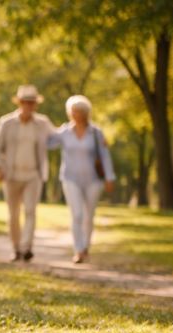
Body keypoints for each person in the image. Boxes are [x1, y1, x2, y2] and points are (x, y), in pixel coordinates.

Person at [0, 85, 54, 262]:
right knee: (13, 214)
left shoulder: (42, 123)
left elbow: (57, 137)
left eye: (32, 103)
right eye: (25, 102)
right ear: (19, 103)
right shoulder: (6, 123)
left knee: (31, 211)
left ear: (35, 105)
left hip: (33, 175)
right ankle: (16, 248)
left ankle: (27, 248)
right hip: (11, 175)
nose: (28, 106)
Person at [48, 95, 115, 263]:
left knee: (88, 215)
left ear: (86, 113)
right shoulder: (64, 131)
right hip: (70, 178)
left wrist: (109, 177)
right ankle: (78, 249)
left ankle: (86, 246)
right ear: (69, 113)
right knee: (77, 214)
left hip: (93, 180)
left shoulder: (96, 133)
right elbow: (47, 143)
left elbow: (105, 156)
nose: (76, 114)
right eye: (73, 111)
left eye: (80, 112)